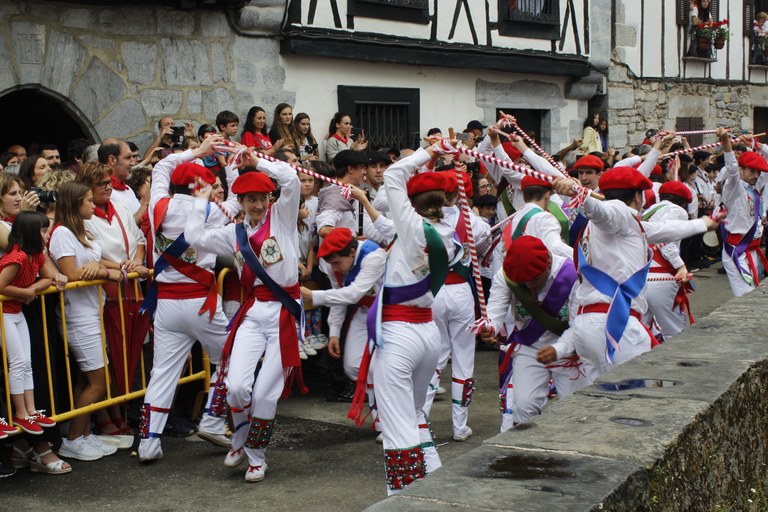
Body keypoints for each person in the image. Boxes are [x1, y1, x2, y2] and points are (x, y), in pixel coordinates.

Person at [538, 167, 721, 385]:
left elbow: (665, 228)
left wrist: (702, 223)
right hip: (615, 324)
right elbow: (605, 212)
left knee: (599, 402)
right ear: (637, 196)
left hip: (587, 325)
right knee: (634, 403)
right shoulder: (619, 213)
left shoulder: (627, 227)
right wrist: (582, 197)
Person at [184, 155, 304, 483]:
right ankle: (239, 436)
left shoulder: (282, 216)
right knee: (236, 386)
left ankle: (256, 457)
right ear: (241, 201)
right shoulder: (233, 233)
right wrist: (200, 201)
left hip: (283, 313)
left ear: (270, 198)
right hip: (252, 314)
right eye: (251, 199)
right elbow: (194, 238)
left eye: (263, 197)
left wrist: (259, 162)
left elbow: (291, 179)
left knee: (265, 393)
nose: (258, 204)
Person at [363, 144, 461, 495]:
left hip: (400, 334)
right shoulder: (450, 234)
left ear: (412, 202)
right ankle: (435, 487)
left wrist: (426, 151)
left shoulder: (412, 228)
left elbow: (392, 174)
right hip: (427, 334)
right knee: (416, 417)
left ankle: (403, 500)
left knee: (397, 425)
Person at [137, 135, 239, 462]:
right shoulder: (209, 209)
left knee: (162, 373)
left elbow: (163, 165)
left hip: (166, 304)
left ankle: (148, 444)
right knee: (231, 358)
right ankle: (211, 418)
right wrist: (231, 164)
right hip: (201, 302)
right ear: (199, 185)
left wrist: (196, 151)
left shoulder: (157, 206)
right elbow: (237, 200)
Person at [49, 181, 123, 461]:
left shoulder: (81, 230)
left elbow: (96, 262)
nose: (94, 205)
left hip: (93, 312)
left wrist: (110, 267)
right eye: (89, 201)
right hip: (77, 317)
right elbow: (71, 273)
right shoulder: (61, 234)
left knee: (86, 379)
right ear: (75, 203)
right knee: (98, 382)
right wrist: (100, 272)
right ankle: (72, 440)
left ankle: (83, 435)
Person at [79, 162, 150, 438]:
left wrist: (137, 261)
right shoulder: (84, 217)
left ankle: (122, 409)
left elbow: (139, 238)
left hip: (131, 287)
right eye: (102, 185)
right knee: (108, 354)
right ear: (87, 188)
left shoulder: (120, 208)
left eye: (109, 183)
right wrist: (123, 266)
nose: (108, 188)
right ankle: (107, 415)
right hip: (107, 291)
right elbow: (91, 254)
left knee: (131, 351)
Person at [482, 235, 582, 431]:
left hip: (569, 351)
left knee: (576, 412)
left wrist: (558, 349)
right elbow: (495, 312)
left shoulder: (572, 276)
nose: (529, 287)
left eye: (535, 280)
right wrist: (489, 328)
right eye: (523, 283)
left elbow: (578, 326)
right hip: (530, 347)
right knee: (523, 408)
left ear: (548, 262)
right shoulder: (507, 276)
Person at [0, 211, 71, 474]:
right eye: (43, 231)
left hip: (17, 313)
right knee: (17, 361)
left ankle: (30, 410)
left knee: (26, 362)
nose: (47, 235)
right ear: (31, 233)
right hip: (5, 314)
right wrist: (27, 291)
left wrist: (36, 288)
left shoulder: (36, 256)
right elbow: (0, 285)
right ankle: (20, 412)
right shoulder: (17, 257)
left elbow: (45, 278)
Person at [422, 170, 490, 443]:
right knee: (463, 359)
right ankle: (460, 426)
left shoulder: (423, 220)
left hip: (434, 291)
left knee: (434, 357)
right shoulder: (470, 221)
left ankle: (421, 419)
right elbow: (484, 234)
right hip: (461, 291)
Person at [301, 227, 386, 433]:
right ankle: (383, 412)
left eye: (338, 263)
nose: (335, 268)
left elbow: (352, 294)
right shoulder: (331, 265)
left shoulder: (374, 256)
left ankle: (384, 421)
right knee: (352, 366)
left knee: (380, 369)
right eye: (332, 264)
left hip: (388, 313)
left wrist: (314, 296)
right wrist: (334, 333)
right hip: (365, 310)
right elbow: (339, 296)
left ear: (352, 252)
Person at [642, 180, 694, 339]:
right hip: (661, 277)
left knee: (642, 331)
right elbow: (666, 241)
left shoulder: (648, 211)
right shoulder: (678, 211)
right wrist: (680, 266)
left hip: (640, 276)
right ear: (684, 202)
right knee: (674, 332)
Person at [721, 132, 768, 297]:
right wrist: (726, 142)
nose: (756, 175)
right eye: (752, 171)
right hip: (737, 250)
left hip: (753, 249)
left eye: (758, 172)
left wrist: (758, 146)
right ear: (741, 169)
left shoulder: (754, 186)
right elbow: (732, 168)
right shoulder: (734, 187)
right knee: (745, 296)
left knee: (752, 293)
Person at [98, 139, 144, 224]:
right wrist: (146, 201)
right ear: (112, 160)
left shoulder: (127, 188)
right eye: (128, 158)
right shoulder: (106, 193)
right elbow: (127, 228)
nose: (133, 163)